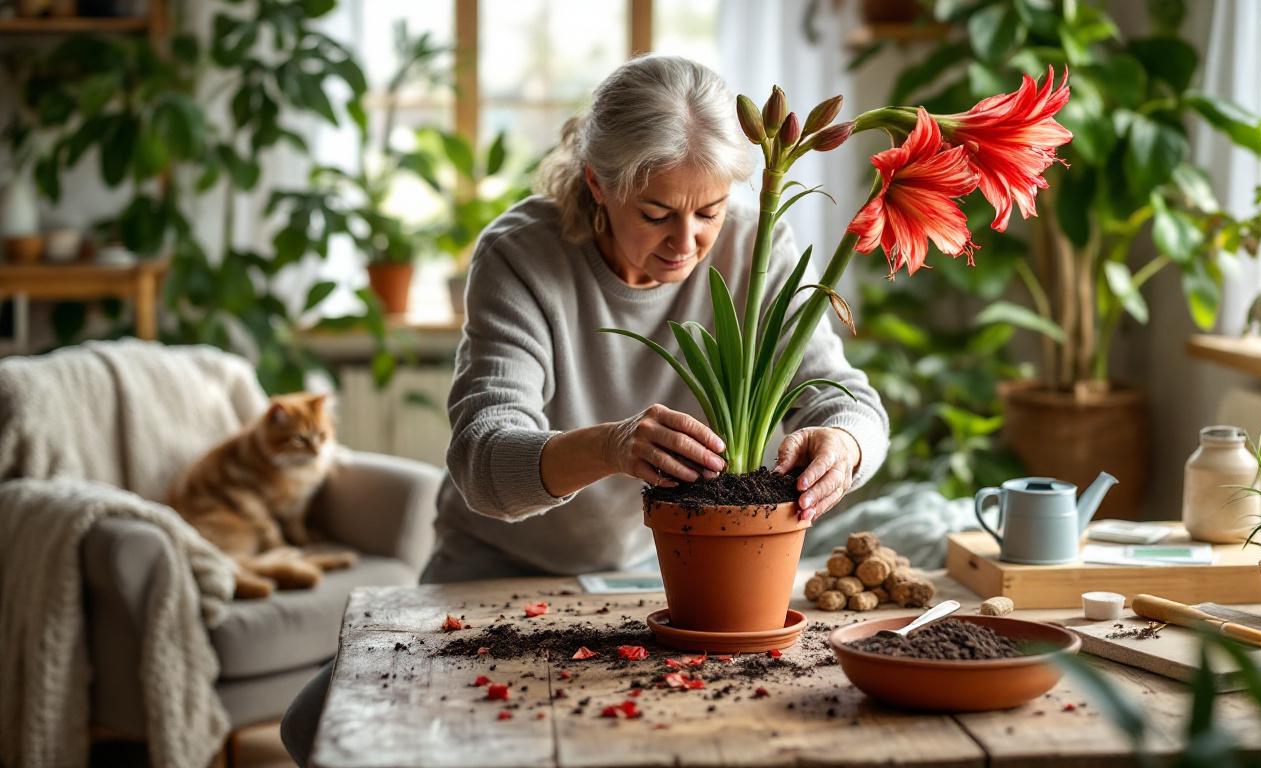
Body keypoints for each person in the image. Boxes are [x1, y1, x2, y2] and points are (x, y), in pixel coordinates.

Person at [281, 54, 888, 765]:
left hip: (660, 578)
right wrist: (610, 447)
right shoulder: (520, 253)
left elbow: (847, 397)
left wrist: (843, 443)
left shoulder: (758, 240)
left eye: (710, 212)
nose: (686, 242)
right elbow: (482, 458)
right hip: (500, 567)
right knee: (316, 728)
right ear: (599, 182)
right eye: (656, 213)